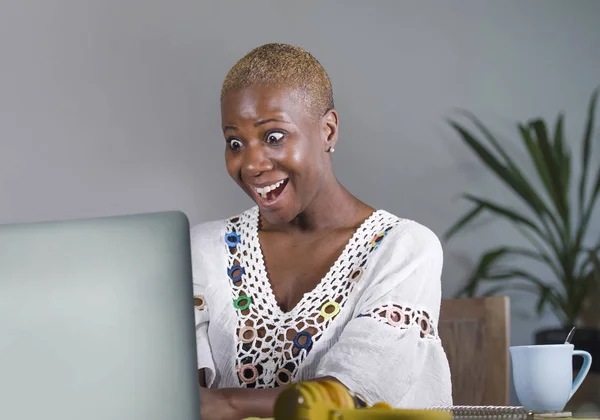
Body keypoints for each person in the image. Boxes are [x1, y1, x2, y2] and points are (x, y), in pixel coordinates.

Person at [191, 43, 452, 420]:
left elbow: (352, 394)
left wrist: (228, 403)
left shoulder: (403, 248)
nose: (251, 164)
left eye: (274, 136)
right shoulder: (205, 250)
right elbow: (176, 391)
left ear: (327, 130)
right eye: (235, 142)